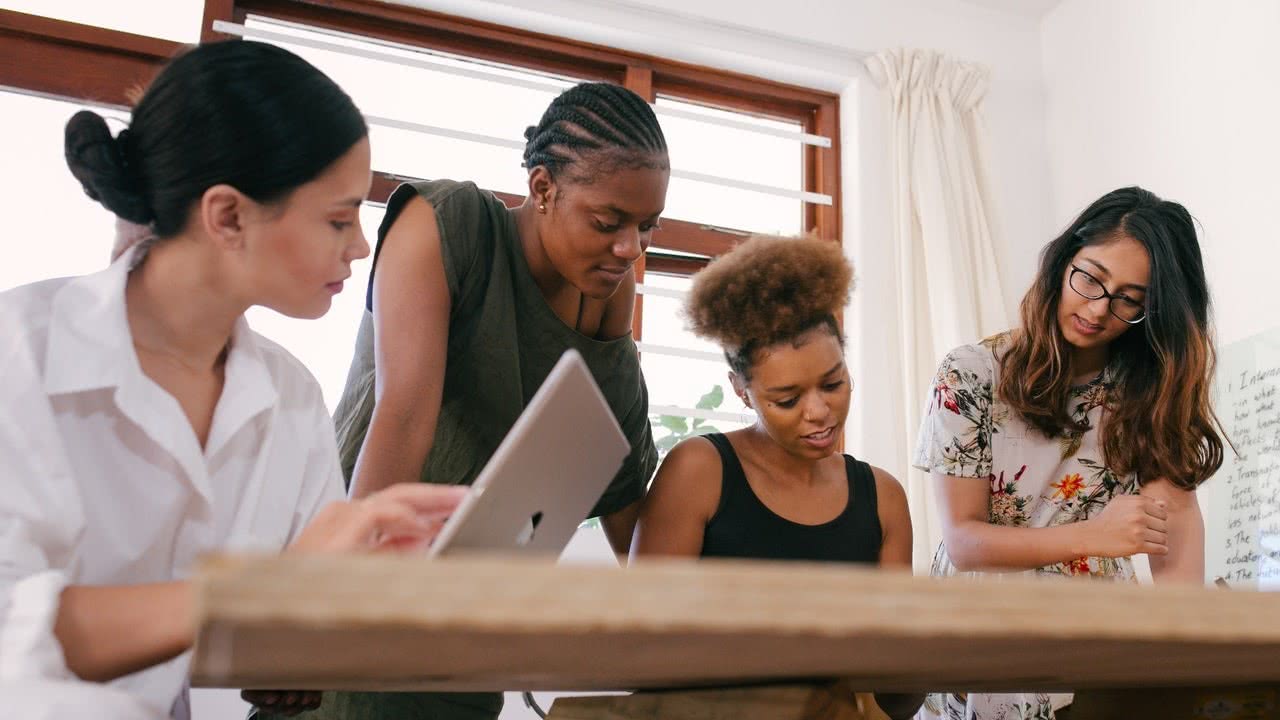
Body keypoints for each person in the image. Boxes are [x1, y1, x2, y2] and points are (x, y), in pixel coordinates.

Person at [0, 40, 466, 720]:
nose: (361, 245)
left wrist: (316, 629)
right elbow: (15, 635)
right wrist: (260, 592)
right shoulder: (20, 352)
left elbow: (286, 616)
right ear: (227, 216)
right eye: (338, 218)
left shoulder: (291, 398)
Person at [303, 82, 669, 720]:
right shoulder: (446, 221)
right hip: (365, 596)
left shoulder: (610, 290)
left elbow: (624, 475)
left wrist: (676, 625)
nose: (629, 248)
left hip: (467, 637)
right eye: (609, 223)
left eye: (646, 227)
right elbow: (405, 416)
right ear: (542, 187)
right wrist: (340, 611)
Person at [915, 186, 1225, 720]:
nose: (1098, 309)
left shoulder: (1147, 392)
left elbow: (1173, 536)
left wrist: (1184, 647)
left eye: (1130, 299)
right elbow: (964, 541)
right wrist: (1094, 536)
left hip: (1094, 633)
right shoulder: (970, 374)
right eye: (1091, 279)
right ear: (1064, 260)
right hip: (983, 625)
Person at [630, 235, 920, 720]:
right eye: (786, 399)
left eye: (833, 383)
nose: (819, 412)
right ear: (742, 391)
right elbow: (641, 643)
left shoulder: (883, 497)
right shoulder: (699, 472)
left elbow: (897, 694)